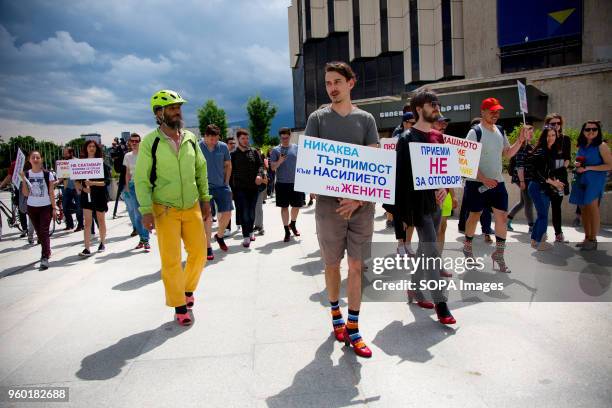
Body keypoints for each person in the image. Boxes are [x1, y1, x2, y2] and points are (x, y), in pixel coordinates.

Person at [305, 61, 378, 358]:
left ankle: (354, 327)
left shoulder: (367, 119)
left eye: (337, 81)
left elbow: (375, 164)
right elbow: (311, 163)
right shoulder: (317, 119)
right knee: (332, 265)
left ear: (351, 83)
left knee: (357, 266)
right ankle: (336, 315)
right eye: (328, 83)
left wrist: (358, 199)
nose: (332, 87)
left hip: (361, 207)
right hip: (328, 207)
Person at [135, 89, 212, 326]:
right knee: (171, 259)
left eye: (178, 107)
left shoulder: (189, 138)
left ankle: (187, 290)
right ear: (159, 113)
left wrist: (205, 197)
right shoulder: (151, 142)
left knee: (199, 254)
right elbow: (141, 178)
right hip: (164, 208)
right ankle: (179, 305)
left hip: (191, 206)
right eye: (171, 108)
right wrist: (146, 209)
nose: (177, 111)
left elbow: (200, 169)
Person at [395, 89, 456, 324]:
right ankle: (441, 303)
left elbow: (443, 169)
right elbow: (399, 179)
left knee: (424, 250)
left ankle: (415, 289)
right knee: (430, 249)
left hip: (436, 203)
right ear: (419, 109)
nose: (437, 107)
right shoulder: (406, 139)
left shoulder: (438, 137)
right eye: (433, 104)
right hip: (417, 204)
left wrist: (443, 186)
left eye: (438, 103)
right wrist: (400, 218)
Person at [462, 98, 525, 273]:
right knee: (475, 215)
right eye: (492, 111)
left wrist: (519, 141)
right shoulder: (475, 132)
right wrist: (483, 179)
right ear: (483, 112)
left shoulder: (500, 130)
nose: (496, 114)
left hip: (498, 183)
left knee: (502, 218)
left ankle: (499, 254)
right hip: (477, 184)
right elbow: (465, 162)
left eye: (498, 111)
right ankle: (467, 248)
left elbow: (507, 154)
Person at [569, 121, 612, 250]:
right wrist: (577, 164)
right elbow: (580, 161)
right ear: (583, 131)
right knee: (583, 209)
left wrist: (588, 168)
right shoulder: (582, 145)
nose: (591, 131)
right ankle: (587, 238)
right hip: (581, 179)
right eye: (588, 129)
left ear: (598, 131)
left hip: (595, 180)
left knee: (592, 208)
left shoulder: (602, 145)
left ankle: (593, 239)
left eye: (594, 129)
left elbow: (609, 165)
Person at [528, 127, 565, 251]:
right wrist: (553, 182)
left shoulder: (552, 151)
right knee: (543, 215)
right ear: (544, 137)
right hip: (537, 187)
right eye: (548, 135)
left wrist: (556, 181)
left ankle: (534, 240)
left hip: (545, 187)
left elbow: (550, 171)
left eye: (553, 135)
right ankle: (540, 242)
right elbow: (537, 173)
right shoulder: (540, 151)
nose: (551, 138)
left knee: (541, 215)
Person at [199, 124, 232, 260]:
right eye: (211, 139)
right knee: (207, 216)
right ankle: (208, 246)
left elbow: (228, 165)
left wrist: (226, 182)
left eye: (216, 139)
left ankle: (219, 236)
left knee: (228, 213)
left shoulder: (223, 147)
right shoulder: (198, 147)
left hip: (221, 186)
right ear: (205, 136)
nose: (214, 142)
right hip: (204, 187)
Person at [19, 150, 57, 270]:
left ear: (41, 159)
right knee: (39, 233)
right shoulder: (26, 174)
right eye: (33, 157)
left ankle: (44, 257)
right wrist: (24, 179)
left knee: (44, 231)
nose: (35, 159)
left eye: (38, 157)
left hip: (45, 207)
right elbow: (25, 193)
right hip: (32, 207)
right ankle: (48, 250)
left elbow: (51, 192)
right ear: (29, 160)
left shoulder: (47, 174)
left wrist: (54, 208)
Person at [458, 118, 494, 242]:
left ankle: (486, 231)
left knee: (486, 208)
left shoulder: (488, 143)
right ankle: (466, 230)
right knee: (470, 208)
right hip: (471, 181)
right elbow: (463, 161)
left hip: (485, 181)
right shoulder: (468, 141)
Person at [230, 129, 265, 247]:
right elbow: (230, 172)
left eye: (246, 138)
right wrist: (230, 189)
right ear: (238, 139)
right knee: (244, 212)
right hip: (240, 189)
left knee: (251, 212)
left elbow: (260, 165)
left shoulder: (254, 152)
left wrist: (259, 175)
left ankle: (250, 232)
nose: (245, 141)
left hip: (254, 188)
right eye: (242, 139)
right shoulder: (233, 155)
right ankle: (246, 236)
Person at [270, 127, 305, 242]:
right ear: (280, 137)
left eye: (287, 137)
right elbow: (272, 167)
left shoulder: (297, 148)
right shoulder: (275, 150)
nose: (285, 139)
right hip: (282, 183)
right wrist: (279, 161)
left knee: (297, 206)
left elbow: (304, 162)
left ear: (290, 136)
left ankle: (293, 224)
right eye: (282, 138)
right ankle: (286, 230)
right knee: (284, 207)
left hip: (296, 182)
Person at [76, 140, 110, 257]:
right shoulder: (81, 164)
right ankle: (87, 248)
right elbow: (77, 183)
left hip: (99, 196)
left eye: (93, 146)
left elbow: (106, 182)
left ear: (96, 149)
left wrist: (93, 183)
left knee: (101, 220)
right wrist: (84, 189)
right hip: (87, 197)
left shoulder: (101, 164)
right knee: (87, 222)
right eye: (89, 146)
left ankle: (102, 242)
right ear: (86, 148)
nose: (91, 148)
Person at [543, 113, 571, 243]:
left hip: (559, 178)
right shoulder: (546, 139)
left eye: (558, 123)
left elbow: (567, 159)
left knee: (556, 206)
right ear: (547, 125)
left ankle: (558, 233)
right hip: (546, 178)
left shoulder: (566, 139)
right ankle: (541, 234)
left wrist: (561, 172)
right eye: (553, 123)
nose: (556, 126)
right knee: (543, 207)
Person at [122, 133, 150, 252]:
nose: (134, 143)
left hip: (144, 185)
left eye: (136, 141)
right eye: (132, 141)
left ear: (140, 142)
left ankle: (146, 239)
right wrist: (127, 187)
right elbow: (127, 173)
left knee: (144, 213)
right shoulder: (127, 156)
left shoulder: (145, 154)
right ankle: (142, 238)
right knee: (136, 215)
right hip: (133, 186)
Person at [507, 124, 535, 232]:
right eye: (529, 132)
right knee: (528, 202)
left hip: (527, 179)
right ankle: (531, 226)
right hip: (523, 179)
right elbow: (519, 166)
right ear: (523, 134)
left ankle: (508, 220)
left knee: (523, 202)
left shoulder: (530, 146)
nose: (531, 134)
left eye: (532, 132)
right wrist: (522, 181)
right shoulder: (521, 147)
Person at [59, 147, 84, 232]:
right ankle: (70, 224)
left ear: (71, 153)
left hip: (76, 188)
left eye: (66, 153)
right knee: (65, 207)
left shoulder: (78, 162)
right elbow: (63, 176)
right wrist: (57, 182)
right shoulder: (63, 163)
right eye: (64, 153)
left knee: (78, 207)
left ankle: (80, 225)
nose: (64, 155)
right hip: (67, 187)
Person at [253, 148, 268, 234]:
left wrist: (259, 180)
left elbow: (266, 181)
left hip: (259, 190)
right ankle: (256, 225)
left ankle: (260, 226)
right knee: (252, 209)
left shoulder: (262, 168)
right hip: (249, 190)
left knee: (258, 209)